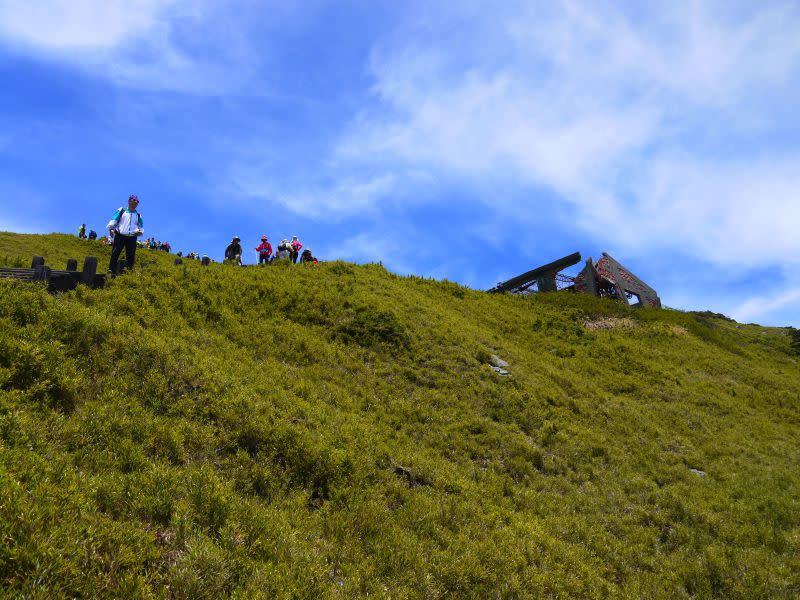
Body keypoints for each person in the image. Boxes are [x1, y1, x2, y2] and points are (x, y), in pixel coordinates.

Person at [107, 194, 144, 274]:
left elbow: (140, 226)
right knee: (115, 253)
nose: (136, 202)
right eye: (134, 200)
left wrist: (140, 232)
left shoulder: (138, 215)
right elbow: (114, 219)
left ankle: (128, 273)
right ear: (129, 201)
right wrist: (111, 229)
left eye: (137, 201)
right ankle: (111, 270)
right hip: (120, 235)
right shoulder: (122, 210)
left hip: (132, 237)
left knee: (131, 256)